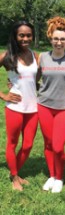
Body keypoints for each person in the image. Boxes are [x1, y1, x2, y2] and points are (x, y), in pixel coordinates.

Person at [37, 16, 65, 193]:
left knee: (58, 146)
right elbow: (34, 79)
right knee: (48, 144)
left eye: (62, 39)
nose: (59, 42)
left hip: (64, 108)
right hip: (44, 105)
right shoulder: (43, 57)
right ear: (50, 38)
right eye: (56, 39)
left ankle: (60, 178)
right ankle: (52, 175)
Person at [0, 21, 39, 191]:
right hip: (14, 107)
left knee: (28, 144)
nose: (25, 38)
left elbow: (37, 78)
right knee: (12, 143)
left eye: (28, 35)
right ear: (15, 36)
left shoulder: (36, 56)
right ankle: (15, 177)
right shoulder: (7, 56)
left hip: (33, 108)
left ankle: (14, 171)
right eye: (21, 35)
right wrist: (3, 95)